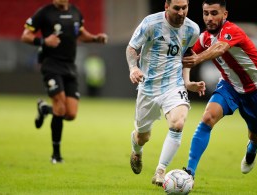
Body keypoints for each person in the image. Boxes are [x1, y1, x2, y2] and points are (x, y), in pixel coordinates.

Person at [181, 0, 257, 178]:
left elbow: (220, 48)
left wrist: (198, 59)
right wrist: (187, 81)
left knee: (255, 136)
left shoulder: (232, 31)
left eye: (214, 13)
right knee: (207, 118)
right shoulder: (204, 38)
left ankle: (252, 149)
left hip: (256, 90)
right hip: (229, 86)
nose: (209, 18)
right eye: (206, 13)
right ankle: (189, 172)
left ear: (225, 15)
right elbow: (187, 57)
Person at [126, 0, 205, 186]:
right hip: (148, 88)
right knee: (142, 137)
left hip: (173, 85)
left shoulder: (192, 29)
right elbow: (131, 48)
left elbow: (186, 56)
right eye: (177, 8)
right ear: (166, 6)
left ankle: (160, 172)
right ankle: (136, 149)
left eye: (184, 7)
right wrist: (133, 68)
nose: (181, 12)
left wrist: (187, 83)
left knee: (178, 123)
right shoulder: (151, 23)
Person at [21, 0, 108, 164]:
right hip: (51, 64)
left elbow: (81, 33)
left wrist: (96, 38)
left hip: (69, 67)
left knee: (71, 114)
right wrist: (43, 41)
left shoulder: (76, 12)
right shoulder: (44, 12)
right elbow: (25, 36)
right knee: (60, 107)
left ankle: (45, 109)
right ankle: (56, 155)